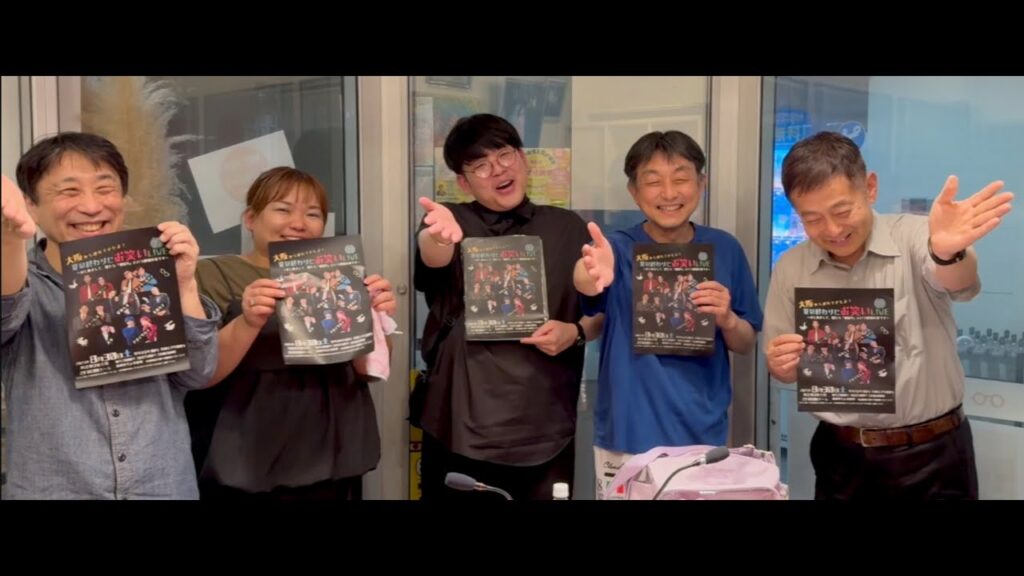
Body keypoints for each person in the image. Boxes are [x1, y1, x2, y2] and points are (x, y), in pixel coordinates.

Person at [762, 131, 1013, 499]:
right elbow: (782, 364)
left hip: (932, 452)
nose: (833, 230)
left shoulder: (915, 236)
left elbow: (958, 281)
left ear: (870, 188)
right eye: (812, 219)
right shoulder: (790, 267)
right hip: (840, 454)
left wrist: (947, 252)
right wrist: (781, 364)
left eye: (842, 211)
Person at [1, 132, 220, 499]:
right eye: (69, 191)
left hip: (161, 484)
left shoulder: (150, 275)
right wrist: (9, 239)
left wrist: (183, 285)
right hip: (55, 488)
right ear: (31, 205)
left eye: (105, 188)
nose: (91, 206)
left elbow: (199, 373)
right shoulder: (22, 283)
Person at [413, 113, 601, 501]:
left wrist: (576, 332)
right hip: (460, 424)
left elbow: (599, 310)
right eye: (480, 165)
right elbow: (433, 253)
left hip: (546, 426)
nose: (497, 169)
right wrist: (439, 238)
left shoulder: (567, 227)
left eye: (504, 155)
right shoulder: (449, 220)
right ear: (464, 182)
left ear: (523, 158)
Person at [184, 166, 397, 500]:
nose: (298, 223)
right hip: (245, 449)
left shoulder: (339, 276)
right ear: (250, 218)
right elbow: (199, 370)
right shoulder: (212, 273)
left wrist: (373, 316)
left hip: (333, 443)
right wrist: (248, 320)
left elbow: (370, 369)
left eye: (312, 214)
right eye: (283, 210)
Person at [573, 130, 763, 499]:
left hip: (701, 435)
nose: (669, 193)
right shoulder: (616, 248)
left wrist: (727, 319)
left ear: (701, 183)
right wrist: (591, 273)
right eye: (653, 181)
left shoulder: (724, 248)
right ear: (634, 191)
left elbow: (746, 342)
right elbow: (586, 281)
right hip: (626, 434)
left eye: (680, 178)